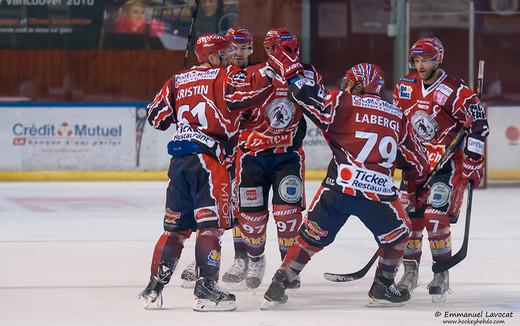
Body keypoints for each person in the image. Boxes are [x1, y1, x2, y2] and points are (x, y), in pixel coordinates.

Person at [261, 59, 430, 308]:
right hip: (378, 197)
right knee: (399, 235)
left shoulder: (341, 101)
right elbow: (417, 162)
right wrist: (419, 180)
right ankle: (382, 286)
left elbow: (305, 93)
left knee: (310, 238)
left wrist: (289, 72)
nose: (346, 86)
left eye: (349, 83)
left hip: (338, 190)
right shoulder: (397, 115)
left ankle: (280, 282)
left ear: (359, 84)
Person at [138, 33, 273, 312]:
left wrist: (181, 94)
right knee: (209, 227)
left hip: (180, 162)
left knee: (175, 230)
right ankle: (207, 289)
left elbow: (156, 118)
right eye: (222, 54)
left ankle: (153, 288)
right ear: (212, 57)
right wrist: (271, 80)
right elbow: (249, 100)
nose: (227, 58)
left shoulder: (177, 80)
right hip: (208, 161)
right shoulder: (225, 76)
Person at [393, 37, 489, 302]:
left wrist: (472, 158)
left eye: (426, 59)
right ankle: (410, 272)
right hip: (413, 166)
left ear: (438, 59)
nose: (420, 65)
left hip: (444, 165)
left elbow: (479, 125)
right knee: (409, 221)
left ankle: (441, 273)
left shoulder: (455, 90)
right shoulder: (405, 86)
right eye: (416, 59)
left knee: (435, 218)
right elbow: (395, 121)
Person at [232, 28, 320, 289]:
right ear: (270, 50)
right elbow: (234, 111)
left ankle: (287, 267)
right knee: (252, 218)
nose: (290, 54)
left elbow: (319, 104)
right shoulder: (251, 74)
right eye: (283, 49)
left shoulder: (308, 73)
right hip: (252, 156)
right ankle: (256, 258)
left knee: (287, 215)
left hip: (288, 155)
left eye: (293, 48)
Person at [178, 27, 256, 287]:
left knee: (241, 206)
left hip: (251, 149)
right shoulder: (219, 74)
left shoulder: (252, 74)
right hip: (222, 151)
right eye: (233, 47)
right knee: (214, 205)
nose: (237, 52)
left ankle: (244, 257)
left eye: (244, 47)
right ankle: (205, 256)